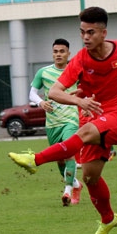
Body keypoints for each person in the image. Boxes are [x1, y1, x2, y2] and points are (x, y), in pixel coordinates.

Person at [9, 7, 117, 234]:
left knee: (84, 132)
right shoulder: (79, 60)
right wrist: (79, 98)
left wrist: (91, 93)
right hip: (94, 115)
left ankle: (34, 160)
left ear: (103, 33)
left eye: (90, 32)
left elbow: (109, 75)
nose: (85, 37)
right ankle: (108, 219)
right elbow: (55, 92)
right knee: (90, 178)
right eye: (82, 32)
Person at [29, 38, 83, 206]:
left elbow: (86, 88)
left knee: (68, 154)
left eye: (62, 51)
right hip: (52, 123)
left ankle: (67, 191)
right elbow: (32, 93)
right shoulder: (43, 72)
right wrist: (41, 102)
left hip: (71, 119)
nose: (58, 54)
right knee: (59, 160)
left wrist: (82, 99)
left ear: (68, 54)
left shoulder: (75, 71)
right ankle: (76, 184)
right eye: (55, 51)